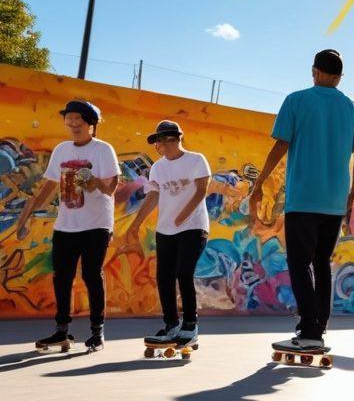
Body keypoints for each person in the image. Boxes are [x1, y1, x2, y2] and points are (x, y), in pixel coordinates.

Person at [250, 49, 354, 355]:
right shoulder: (351, 107)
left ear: (314, 71)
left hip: (303, 198)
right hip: (334, 202)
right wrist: (352, 193)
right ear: (340, 77)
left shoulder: (297, 100)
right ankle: (319, 326)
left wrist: (260, 182)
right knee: (322, 264)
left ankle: (309, 331)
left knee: (300, 263)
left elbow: (281, 144)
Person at [16, 99, 120, 352]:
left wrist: (94, 182)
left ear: (91, 125)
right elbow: (49, 186)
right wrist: (26, 215)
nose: (73, 124)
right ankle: (62, 331)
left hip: (96, 224)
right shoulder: (62, 150)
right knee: (61, 277)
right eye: (69, 119)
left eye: (79, 120)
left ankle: (97, 332)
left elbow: (111, 186)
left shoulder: (103, 150)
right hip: (66, 225)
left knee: (91, 275)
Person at [125, 120, 211, 351]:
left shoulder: (196, 160)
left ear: (177, 139)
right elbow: (153, 196)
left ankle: (190, 325)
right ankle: (172, 325)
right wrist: (136, 224)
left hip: (193, 227)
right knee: (164, 277)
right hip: (166, 230)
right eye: (160, 142)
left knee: (184, 273)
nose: (163, 146)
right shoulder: (158, 168)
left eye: (167, 141)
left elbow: (203, 188)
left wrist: (183, 215)